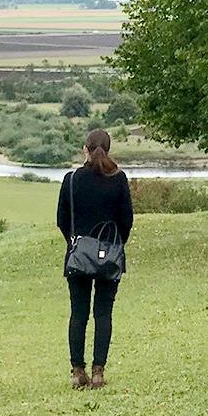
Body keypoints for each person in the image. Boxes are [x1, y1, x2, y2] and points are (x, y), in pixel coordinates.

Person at [57, 128, 133, 390]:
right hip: (109, 254)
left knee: (78, 313)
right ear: (109, 150)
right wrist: (114, 243)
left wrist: (74, 241)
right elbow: (126, 221)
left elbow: (62, 220)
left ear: (85, 149)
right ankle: (98, 370)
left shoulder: (71, 179)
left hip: (78, 255)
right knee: (103, 313)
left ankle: (77, 370)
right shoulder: (119, 179)